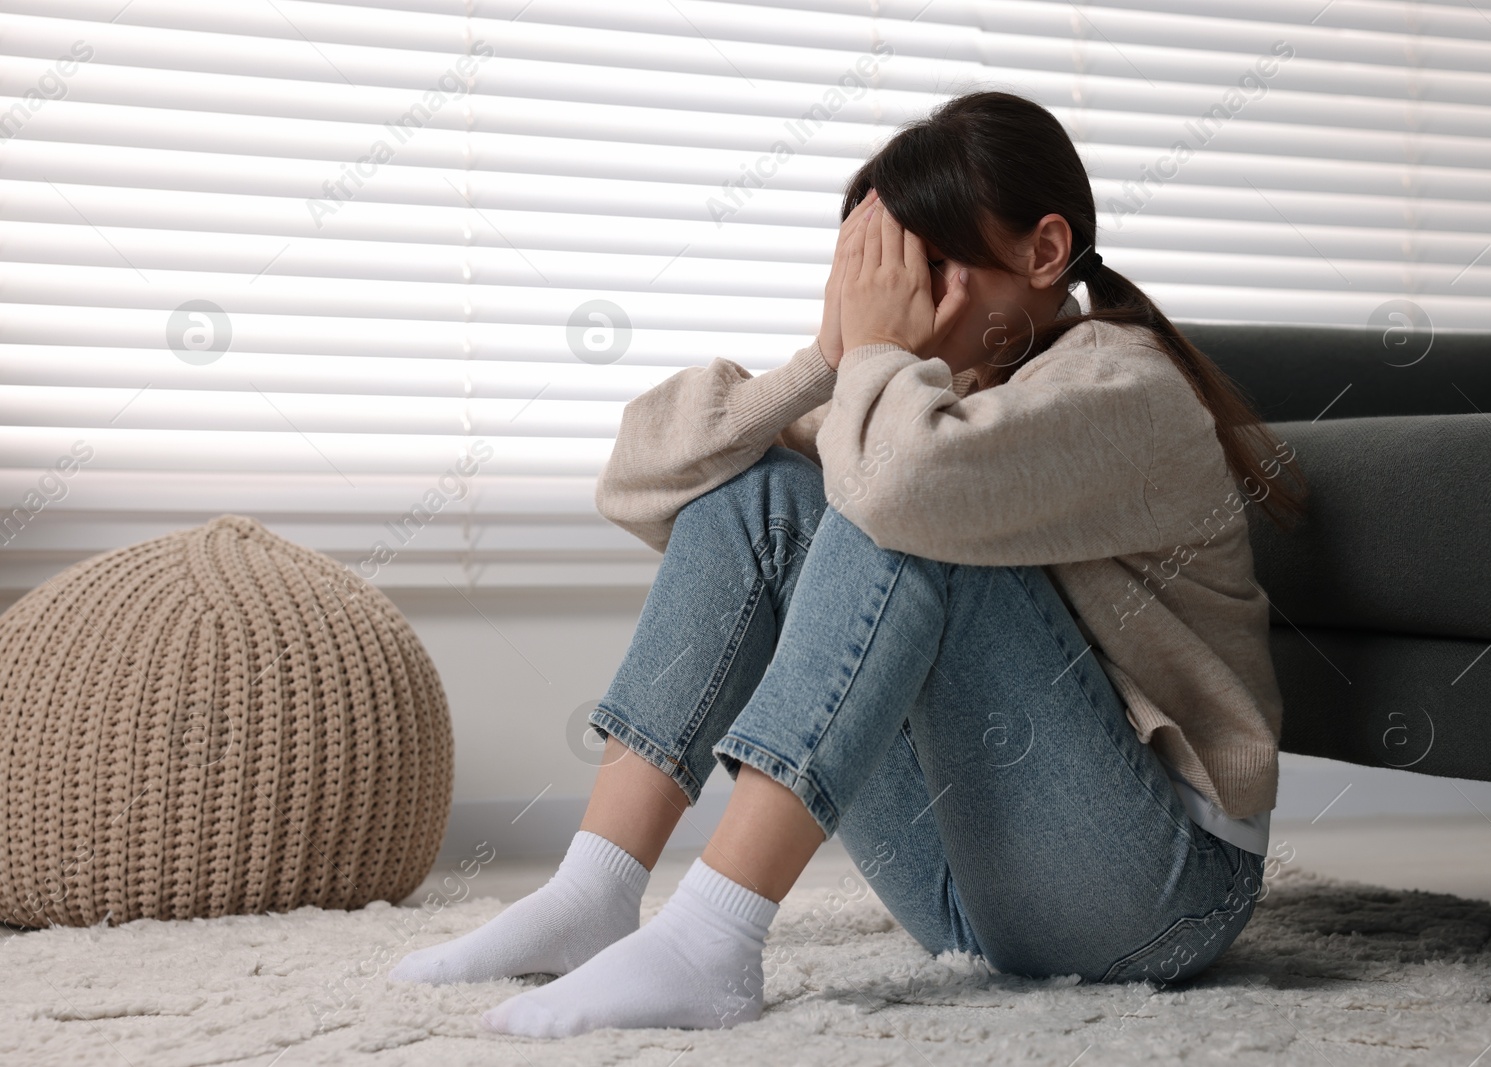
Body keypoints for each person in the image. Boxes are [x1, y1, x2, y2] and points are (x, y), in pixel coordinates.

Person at [389, 89, 1309, 1039]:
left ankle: (711, 937)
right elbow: (639, 479)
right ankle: (594, 889)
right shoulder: (913, 397)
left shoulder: (1123, 383)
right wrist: (826, 359)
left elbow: (902, 487)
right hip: (970, 900)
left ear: (1043, 253)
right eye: (885, 274)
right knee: (759, 496)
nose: (901, 303)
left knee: (893, 510)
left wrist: (872, 358)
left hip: (1162, 893)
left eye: (932, 268)